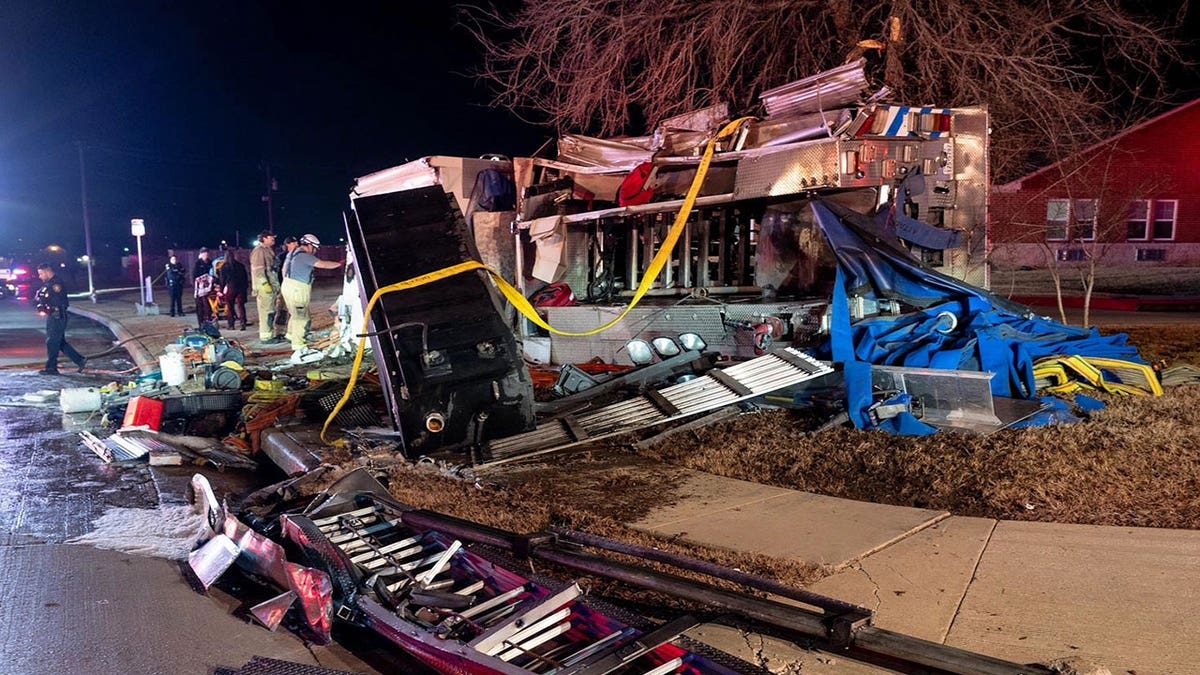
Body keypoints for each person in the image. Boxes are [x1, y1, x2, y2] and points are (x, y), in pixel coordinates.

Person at [280, 233, 343, 354]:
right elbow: (323, 264)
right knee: (301, 316)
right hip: (297, 288)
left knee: (294, 312)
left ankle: (291, 335)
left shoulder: (293, 253)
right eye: (315, 248)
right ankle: (298, 345)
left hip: (288, 285)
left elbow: (284, 269)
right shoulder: (304, 256)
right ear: (309, 245)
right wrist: (340, 264)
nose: (314, 251)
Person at [35, 263, 87, 374]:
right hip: (53, 315)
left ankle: (51, 368)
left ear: (47, 271)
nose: (40, 276)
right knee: (60, 342)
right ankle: (80, 360)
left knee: (52, 342)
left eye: (41, 273)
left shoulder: (56, 284)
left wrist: (44, 303)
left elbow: (55, 301)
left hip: (57, 316)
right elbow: (41, 297)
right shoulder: (48, 284)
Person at [250, 231, 284, 343]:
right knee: (266, 312)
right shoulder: (259, 251)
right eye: (271, 237)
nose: (273, 239)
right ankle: (266, 338)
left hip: (271, 285)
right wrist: (265, 285)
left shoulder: (267, 250)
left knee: (271, 311)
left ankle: (270, 334)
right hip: (264, 287)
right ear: (264, 238)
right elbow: (258, 271)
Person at [218, 245, 250, 330]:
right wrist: (246, 288)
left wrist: (221, 290)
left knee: (230, 306)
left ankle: (231, 324)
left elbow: (222, 280)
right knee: (241, 306)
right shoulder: (240, 266)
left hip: (231, 287)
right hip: (241, 288)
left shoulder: (224, 267)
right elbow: (245, 278)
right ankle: (243, 323)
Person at [273, 236, 299, 338]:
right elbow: (276, 273)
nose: (297, 245)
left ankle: (291, 331)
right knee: (282, 310)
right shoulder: (281, 257)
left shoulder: (296, 256)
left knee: (294, 310)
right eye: (294, 243)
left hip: (294, 287)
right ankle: (279, 332)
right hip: (284, 287)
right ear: (287, 245)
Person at [193, 247, 214, 328]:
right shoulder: (197, 263)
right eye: (204, 253)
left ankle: (209, 321)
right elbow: (195, 276)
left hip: (209, 288)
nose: (206, 255)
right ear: (201, 254)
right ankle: (201, 323)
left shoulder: (210, 263)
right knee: (200, 307)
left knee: (208, 307)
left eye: (207, 253)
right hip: (200, 290)